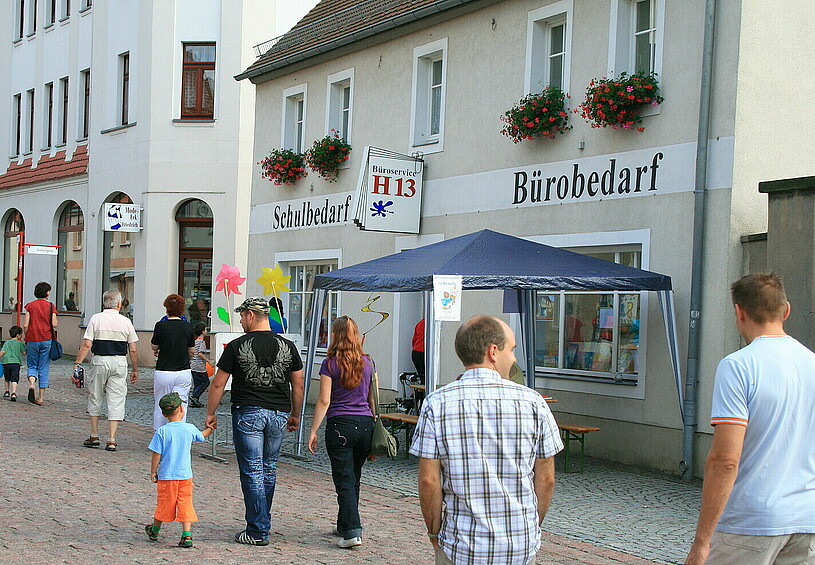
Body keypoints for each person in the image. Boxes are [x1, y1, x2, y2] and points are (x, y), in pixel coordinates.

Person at [410, 315, 563, 565]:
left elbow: (429, 481)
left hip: (461, 545)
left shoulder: (437, 403)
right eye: (511, 349)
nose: (514, 358)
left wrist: (434, 532)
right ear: (493, 351)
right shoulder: (534, 403)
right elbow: (546, 479)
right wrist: (531, 528)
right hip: (519, 546)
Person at [685, 272, 815, 565]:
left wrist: (702, 541)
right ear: (787, 310)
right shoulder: (812, 364)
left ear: (739, 311)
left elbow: (725, 459)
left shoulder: (738, 366)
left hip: (751, 522)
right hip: (807, 519)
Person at [205, 297, 304, 546]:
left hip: (248, 412)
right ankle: (262, 519)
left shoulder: (238, 345)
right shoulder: (288, 346)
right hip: (279, 413)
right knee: (268, 468)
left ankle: (258, 529)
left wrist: (210, 412)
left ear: (251, 315)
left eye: (241, 315)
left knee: (252, 470)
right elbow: (298, 384)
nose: (240, 320)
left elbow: (218, 383)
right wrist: (295, 414)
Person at [307, 316, 376, 549]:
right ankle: (344, 522)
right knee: (354, 476)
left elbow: (324, 400)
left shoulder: (330, 364)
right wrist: (375, 429)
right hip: (365, 424)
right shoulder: (368, 362)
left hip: (340, 425)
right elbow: (371, 398)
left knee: (344, 478)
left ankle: (352, 532)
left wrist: (314, 429)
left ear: (335, 336)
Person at [146, 392, 213, 548]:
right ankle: (187, 535)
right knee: (185, 503)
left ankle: (155, 530)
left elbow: (156, 454)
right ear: (181, 408)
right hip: (185, 475)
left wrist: (153, 471)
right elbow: (202, 436)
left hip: (167, 476)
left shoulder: (162, 432)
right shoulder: (189, 428)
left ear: (163, 413)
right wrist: (209, 429)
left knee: (164, 503)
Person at [74, 289, 139, 452]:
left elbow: (87, 344)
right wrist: (135, 369)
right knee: (116, 398)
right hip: (119, 362)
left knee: (95, 395)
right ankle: (111, 439)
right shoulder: (126, 322)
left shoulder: (96, 319)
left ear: (104, 303)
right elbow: (133, 349)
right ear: (118, 304)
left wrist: (77, 362)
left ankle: (94, 435)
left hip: (99, 360)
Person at [151, 294, 195, 429]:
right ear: (182, 309)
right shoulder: (187, 327)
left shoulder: (160, 326)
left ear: (167, 308)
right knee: (181, 404)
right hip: (182, 371)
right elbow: (191, 350)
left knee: (161, 403)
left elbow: (154, 346)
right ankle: (179, 435)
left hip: (164, 370)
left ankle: (160, 435)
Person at [23, 281, 58, 406]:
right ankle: (40, 397)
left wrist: (26, 336)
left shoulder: (30, 306)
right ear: (47, 292)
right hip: (46, 338)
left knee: (32, 365)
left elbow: (25, 324)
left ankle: (32, 384)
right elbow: (54, 324)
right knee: (43, 367)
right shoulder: (51, 306)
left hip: (32, 339)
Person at [1, 326, 26, 401]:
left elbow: (2, 352)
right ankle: (14, 393)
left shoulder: (6, 343)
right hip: (16, 363)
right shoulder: (19, 343)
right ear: (18, 335)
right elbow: (24, 353)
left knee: (7, 378)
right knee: (14, 378)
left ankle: (6, 391)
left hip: (6, 362)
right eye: (21, 334)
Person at [188, 323, 209, 407]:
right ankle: (194, 396)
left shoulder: (195, 341)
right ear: (203, 331)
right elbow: (200, 354)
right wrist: (208, 361)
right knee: (205, 382)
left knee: (197, 383)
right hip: (199, 365)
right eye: (206, 329)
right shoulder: (202, 342)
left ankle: (194, 401)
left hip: (193, 364)